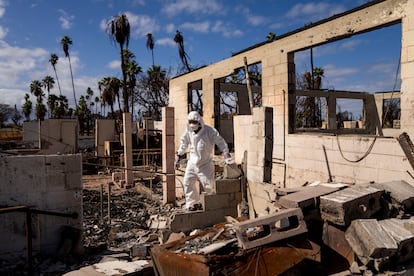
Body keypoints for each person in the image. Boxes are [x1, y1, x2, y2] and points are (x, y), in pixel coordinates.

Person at [175, 111, 233, 211]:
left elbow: (220, 141)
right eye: (190, 122)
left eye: (194, 122)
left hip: (205, 164)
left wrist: (226, 153)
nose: (192, 124)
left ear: (199, 121)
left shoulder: (209, 131)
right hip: (192, 163)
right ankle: (191, 204)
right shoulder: (188, 131)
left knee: (209, 187)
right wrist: (179, 155)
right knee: (188, 183)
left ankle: (211, 207)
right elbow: (183, 143)